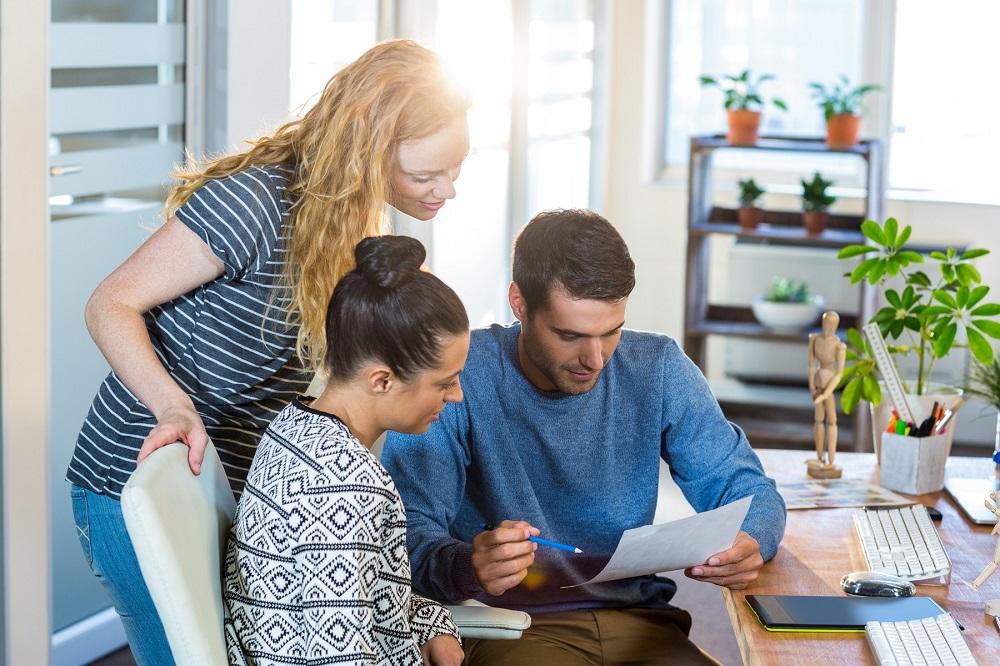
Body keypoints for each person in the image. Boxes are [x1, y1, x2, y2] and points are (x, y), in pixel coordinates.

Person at [65, 40, 470, 664]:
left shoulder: (353, 227)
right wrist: (173, 407)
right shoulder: (252, 204)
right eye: (425, 176)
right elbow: (109, 304)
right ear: (366, 152)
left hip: (229, 484)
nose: (447, 189)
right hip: (137, 475)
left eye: (456, 168)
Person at [382, 209, 787, 665]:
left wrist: (752, 540)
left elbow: (749, 489)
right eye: (570, 335)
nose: (595, 359)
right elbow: (403, 533)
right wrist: (467, 565)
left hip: (640, 619)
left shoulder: (657, 366)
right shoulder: (459, 375)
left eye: (611, 332)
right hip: (512, 627)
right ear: (519, 303)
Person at [225, 235, 469, 666]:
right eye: (445, 382)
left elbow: (359, 595)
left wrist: (432, 623)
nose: (457, 396)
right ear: (382, 380)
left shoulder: (293, 426)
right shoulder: (346, 488)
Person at [807, 310, 847, 478]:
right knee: (818, 421)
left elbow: (839, 374)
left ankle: (831, 459)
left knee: (832, 421)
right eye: (826, 322)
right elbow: (811, 365)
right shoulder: (815, 340)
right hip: (818, 385)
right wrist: (812, 387)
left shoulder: (839, 345)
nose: (828, 327)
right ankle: (819, 457)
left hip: (828, 388)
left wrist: (826, 394)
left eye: (832, 324)